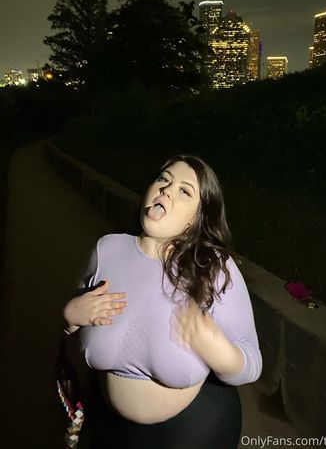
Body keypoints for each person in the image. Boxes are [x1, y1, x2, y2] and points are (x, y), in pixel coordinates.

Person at [62, 154, 262, 449]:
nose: (167, 189)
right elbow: (70, 322)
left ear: (196, 217)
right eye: (163, 179)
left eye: (184, 191)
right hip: (108, 428)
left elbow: (252, 364)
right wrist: (70, 316)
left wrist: (221, 353)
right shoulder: (107, 249)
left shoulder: (214, 267)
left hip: (194, 433)